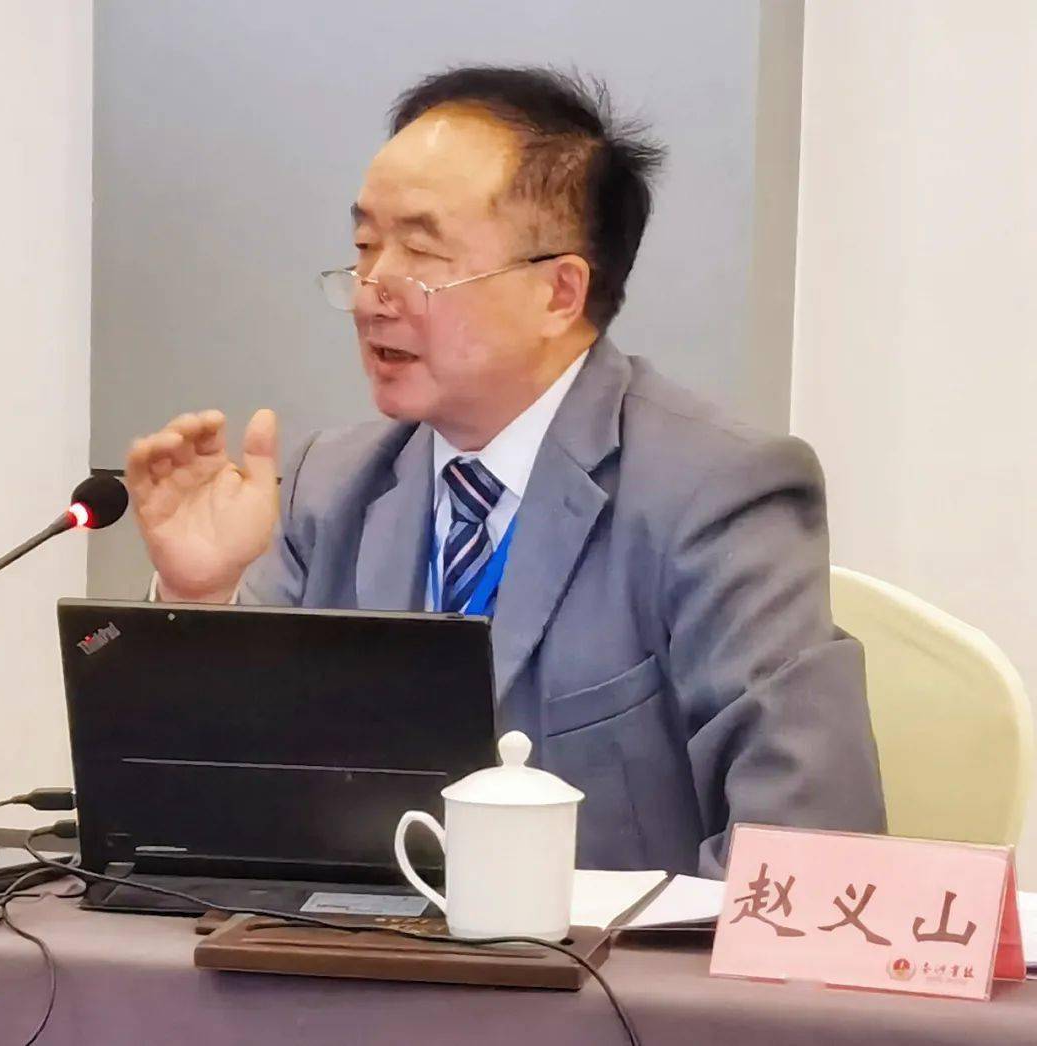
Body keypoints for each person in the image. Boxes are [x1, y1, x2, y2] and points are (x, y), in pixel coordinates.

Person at [125, 67, 885, 877]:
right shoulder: (332, 484)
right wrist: (203, 605)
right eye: (364, 248)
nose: (371, 293)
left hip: (612, 958)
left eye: (421, 253)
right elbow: (220, 820)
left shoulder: (717, 492)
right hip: (350, 953)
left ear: (559, 292)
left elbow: (813, 849)